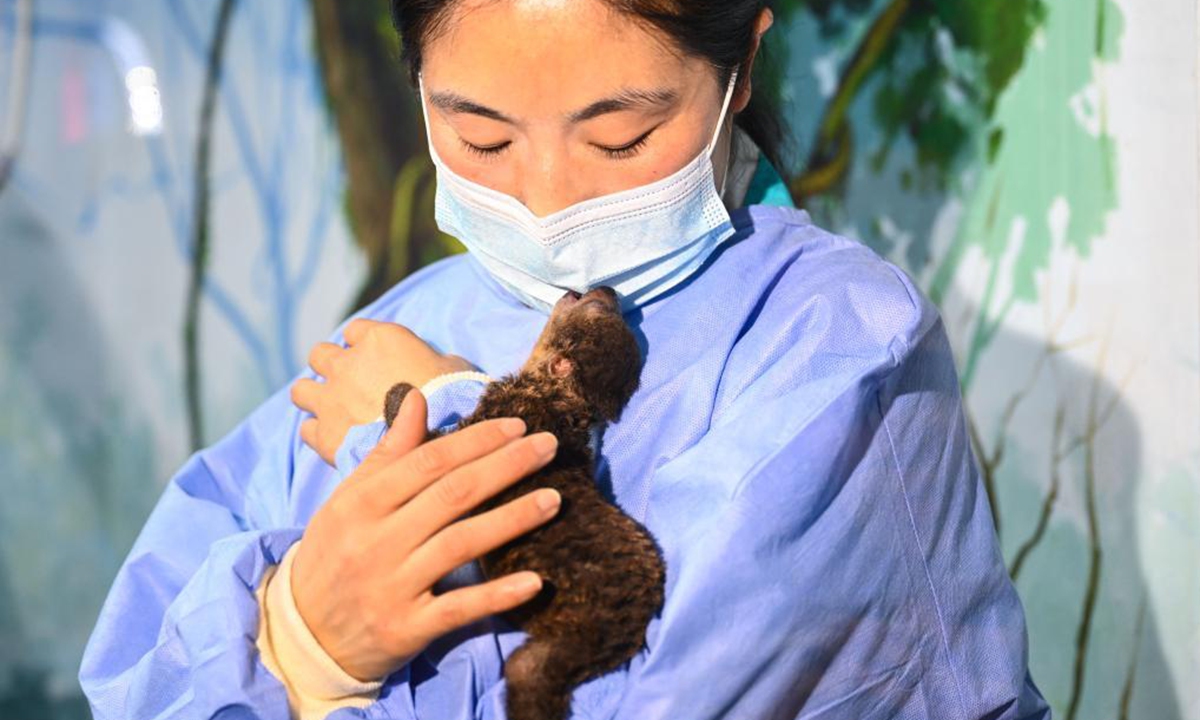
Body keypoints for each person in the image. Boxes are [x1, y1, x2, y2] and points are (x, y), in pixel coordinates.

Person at [78, 1, 1052, 718]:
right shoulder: (395, 328)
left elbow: (654, 687)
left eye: (619, 136)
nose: (547, 199)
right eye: (482, 136)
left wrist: (445, 433)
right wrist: (302, 635)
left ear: (742, 67)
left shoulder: (841, 349)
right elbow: (142, 662)